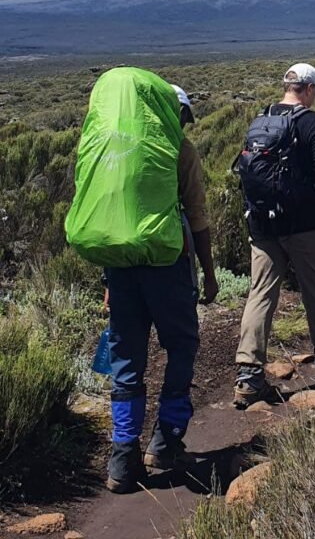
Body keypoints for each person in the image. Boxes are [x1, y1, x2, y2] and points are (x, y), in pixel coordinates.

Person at [102, 79, 218, 493]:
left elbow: (110, 217)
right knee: (182, 345)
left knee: (126, 360)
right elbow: (198, 216)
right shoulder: (180, 151)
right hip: (167, 267)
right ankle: (165, 441)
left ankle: (122, 458)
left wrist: (108, 279)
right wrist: (208, 270)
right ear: (176, 115)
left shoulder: (119, 150)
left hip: (121, 269)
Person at [234, 63, 315, 408]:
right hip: (303, 223)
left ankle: (248, 374)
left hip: (261, 224)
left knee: (260, 293)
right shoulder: (313, 124)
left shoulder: (259, 121)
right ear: (310, 89)